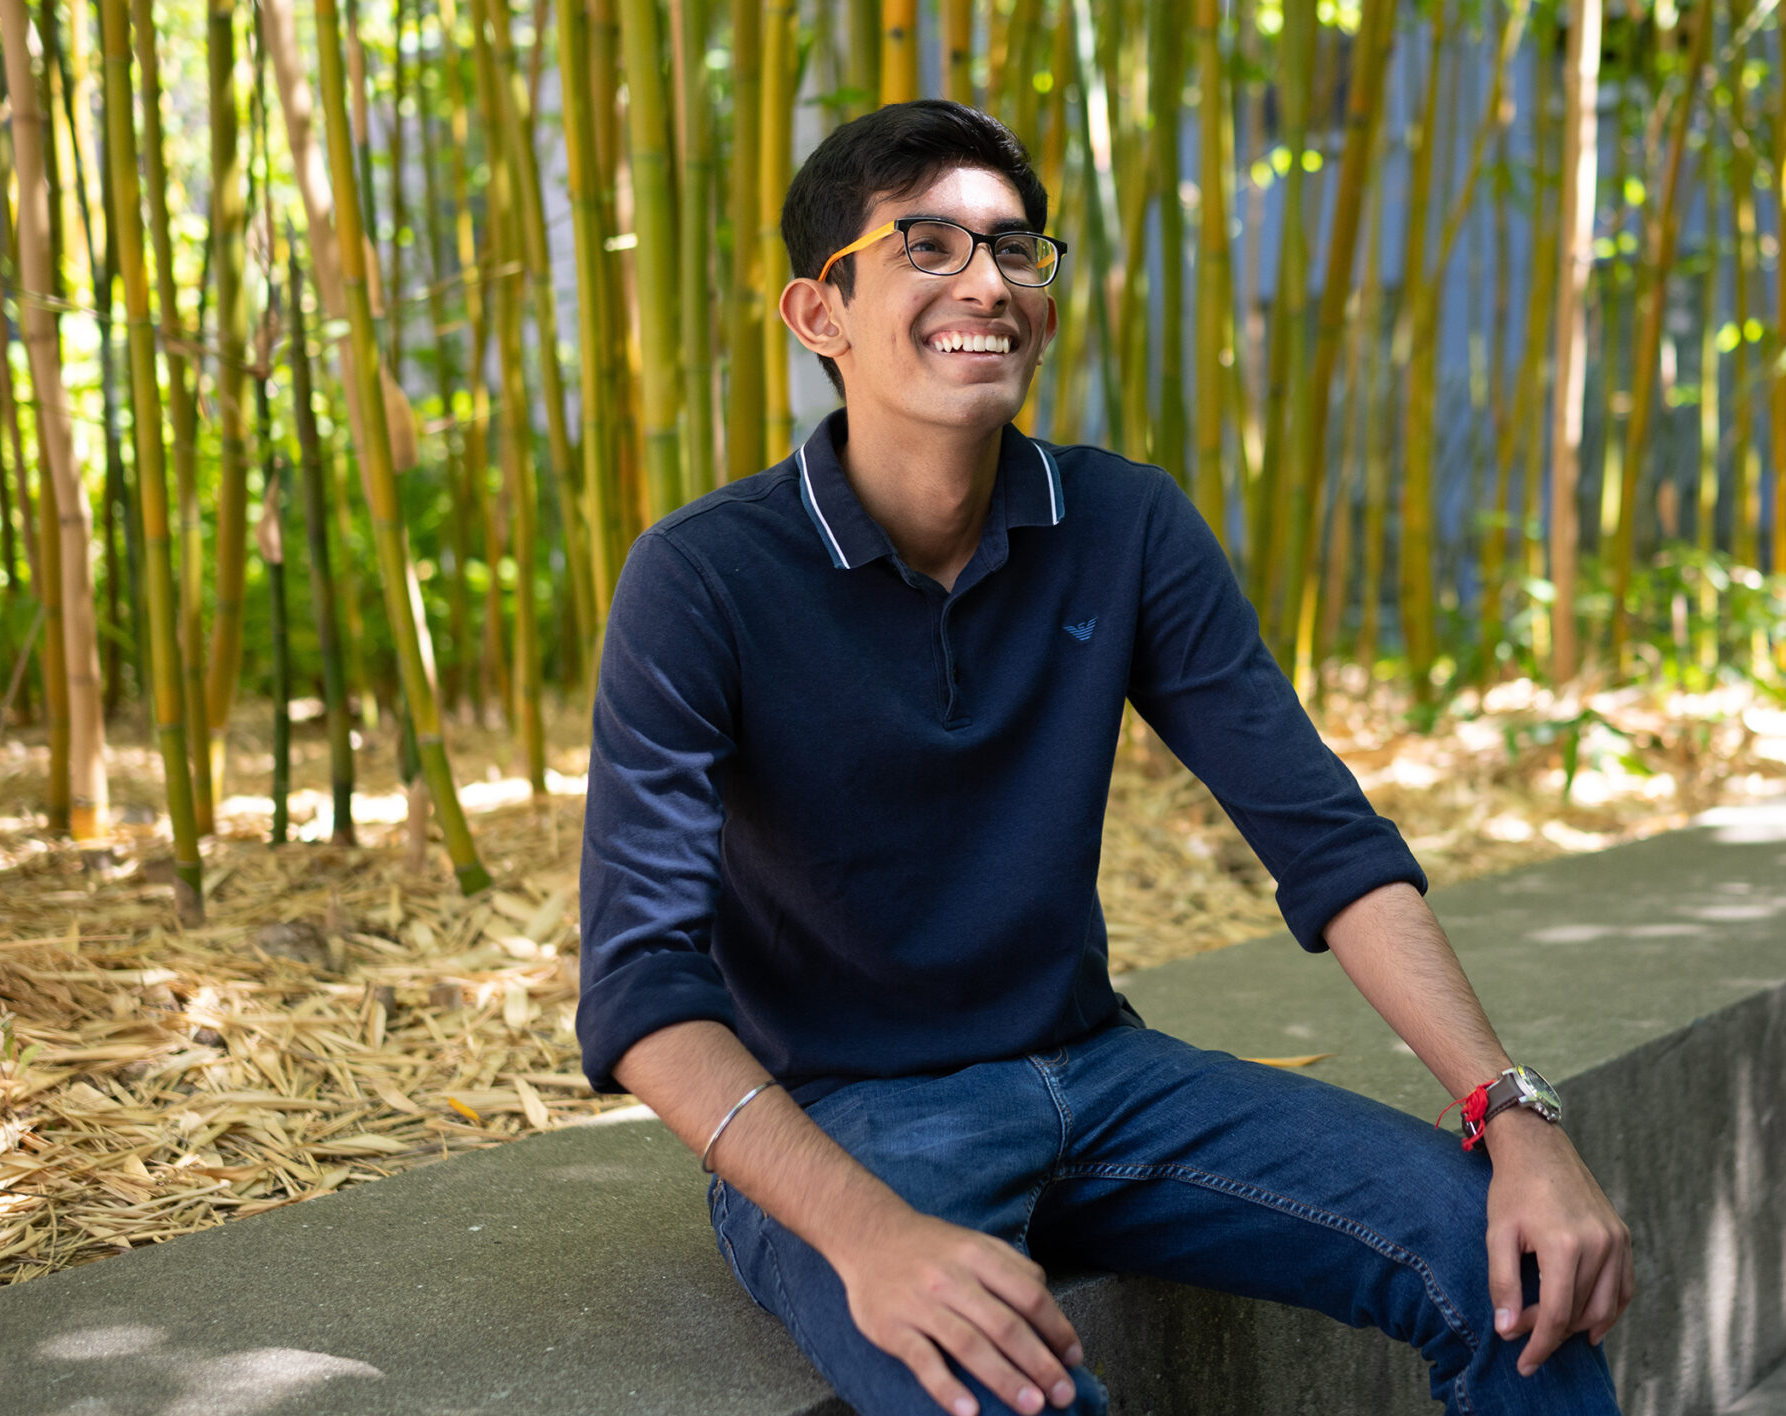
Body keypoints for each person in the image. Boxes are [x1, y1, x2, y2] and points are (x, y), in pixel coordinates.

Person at [578, 98, 1633, 1416]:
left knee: (1512, 1272)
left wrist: (1513, 1114)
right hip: (849, 1120)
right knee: (988, 1384)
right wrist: (866, 1234)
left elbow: (1324, 841)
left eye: (1016, 251)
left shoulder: (1123, 522)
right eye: (929, 247)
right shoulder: (703, 577)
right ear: (819, 315)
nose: (989, 282)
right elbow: (640, 994)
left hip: (1103, 1078)